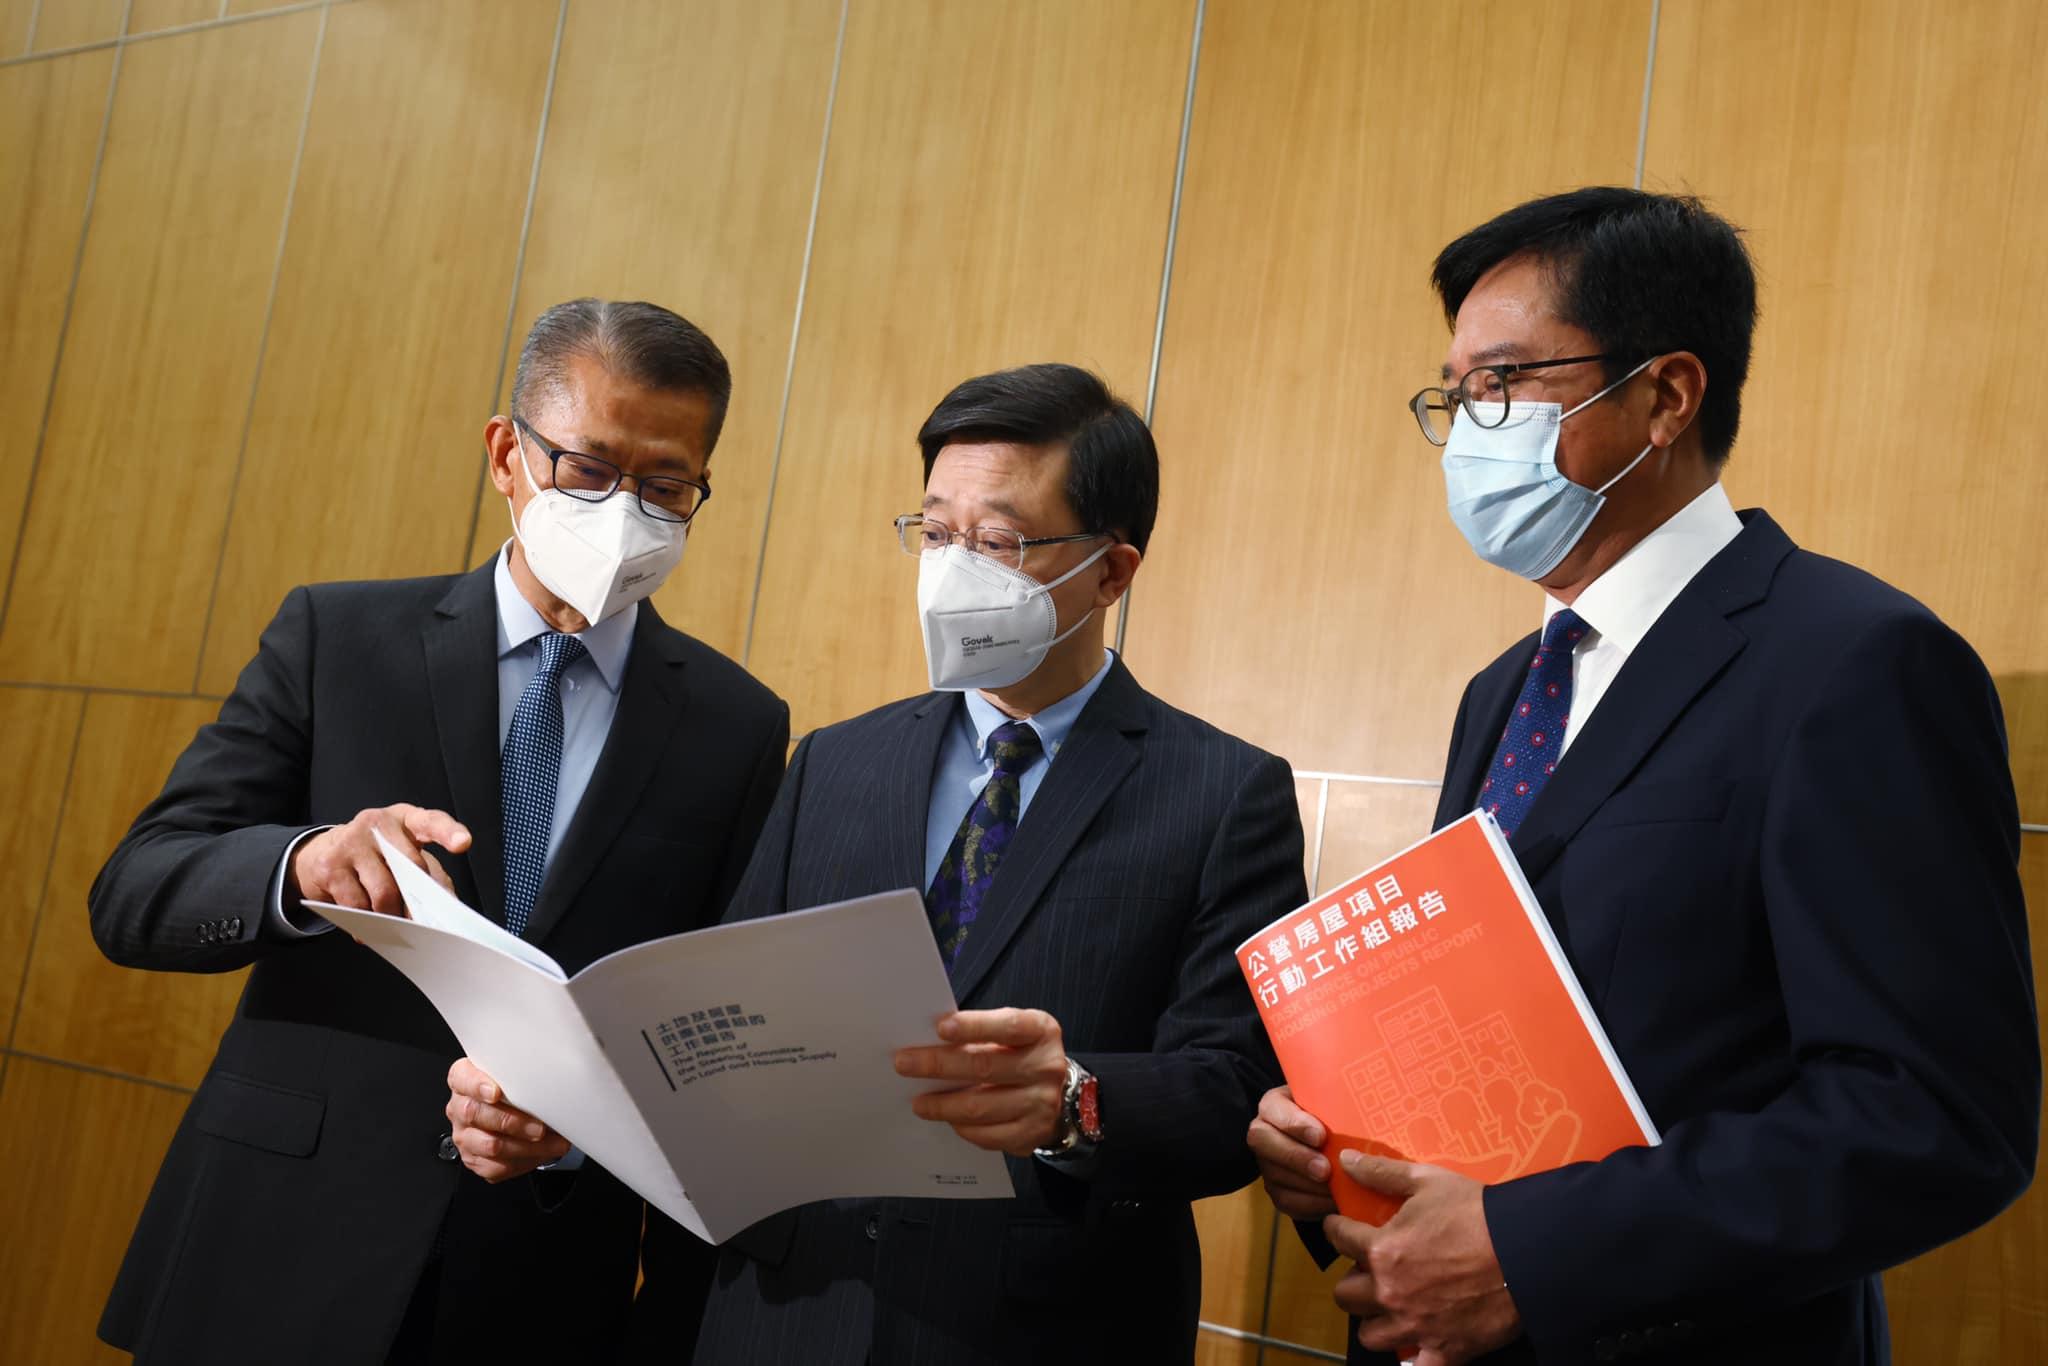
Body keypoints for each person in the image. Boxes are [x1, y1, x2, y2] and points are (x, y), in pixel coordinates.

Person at [1248, 188, 2038, 1366]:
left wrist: (1530, 1252)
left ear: (1665, 395)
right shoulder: (1502, 687)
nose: (1467, 431)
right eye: (1454, 393)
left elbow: (1932, 1117)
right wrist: (1339, 1143)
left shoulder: (1855, 660)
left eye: (1502, 381)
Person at [448, 362, 1307, 1364]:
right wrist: (573, 1119)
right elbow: (717, 1036)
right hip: (782, 1314)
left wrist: (1075, 1100)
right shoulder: (832, 762)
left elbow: (1234, 1089)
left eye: (997, 542)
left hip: (1031, 1325)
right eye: (935, 534)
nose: (953, 570)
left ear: (1111, 573)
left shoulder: (1222, 793)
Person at [90, 299, 790, 1364]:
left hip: (533, 1282)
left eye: (664, 486)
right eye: (589, 470)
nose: (624, 512)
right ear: (507, 455)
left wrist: (571, 1139)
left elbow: (708, 1036)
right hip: (275, 1246)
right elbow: (136, 893)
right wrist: (303, 865)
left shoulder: (737, 727)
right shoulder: (338, 636)